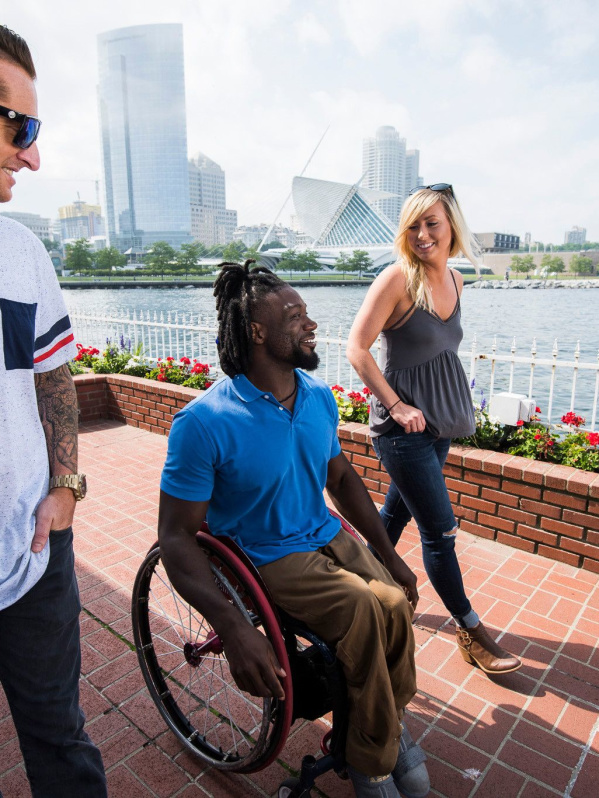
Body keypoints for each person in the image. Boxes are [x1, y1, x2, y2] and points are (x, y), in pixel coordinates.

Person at [159, 261, 430, 798]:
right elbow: (174, 538)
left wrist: (391, 557)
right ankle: (371, 762)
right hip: (264, 553)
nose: (310, 324)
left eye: (306, 313)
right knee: (360, 612)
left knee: (394, 603)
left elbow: (342, 478)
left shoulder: (316, 397)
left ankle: (386, 726)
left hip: (321, 533)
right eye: (294, 315)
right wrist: (234, 628)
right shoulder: (204, 423)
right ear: (257, 331)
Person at [347, 184, 522, 676]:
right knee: (440, 532)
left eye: (433, 224)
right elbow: (357, 349)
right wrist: (398, 405)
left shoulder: (457, 279)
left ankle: (352, 588)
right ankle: (471, 631)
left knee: (394, 516)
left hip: (439, 422)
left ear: (452, 228)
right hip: (403, 429)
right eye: (414, 226)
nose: (423, 235)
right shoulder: (396, 279)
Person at [0, 26, 107, 797]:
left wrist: (66, 484)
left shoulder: (23, 253)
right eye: (20, 128)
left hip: (35, 555)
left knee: (61, 745)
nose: (32, 156)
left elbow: (54, 382)